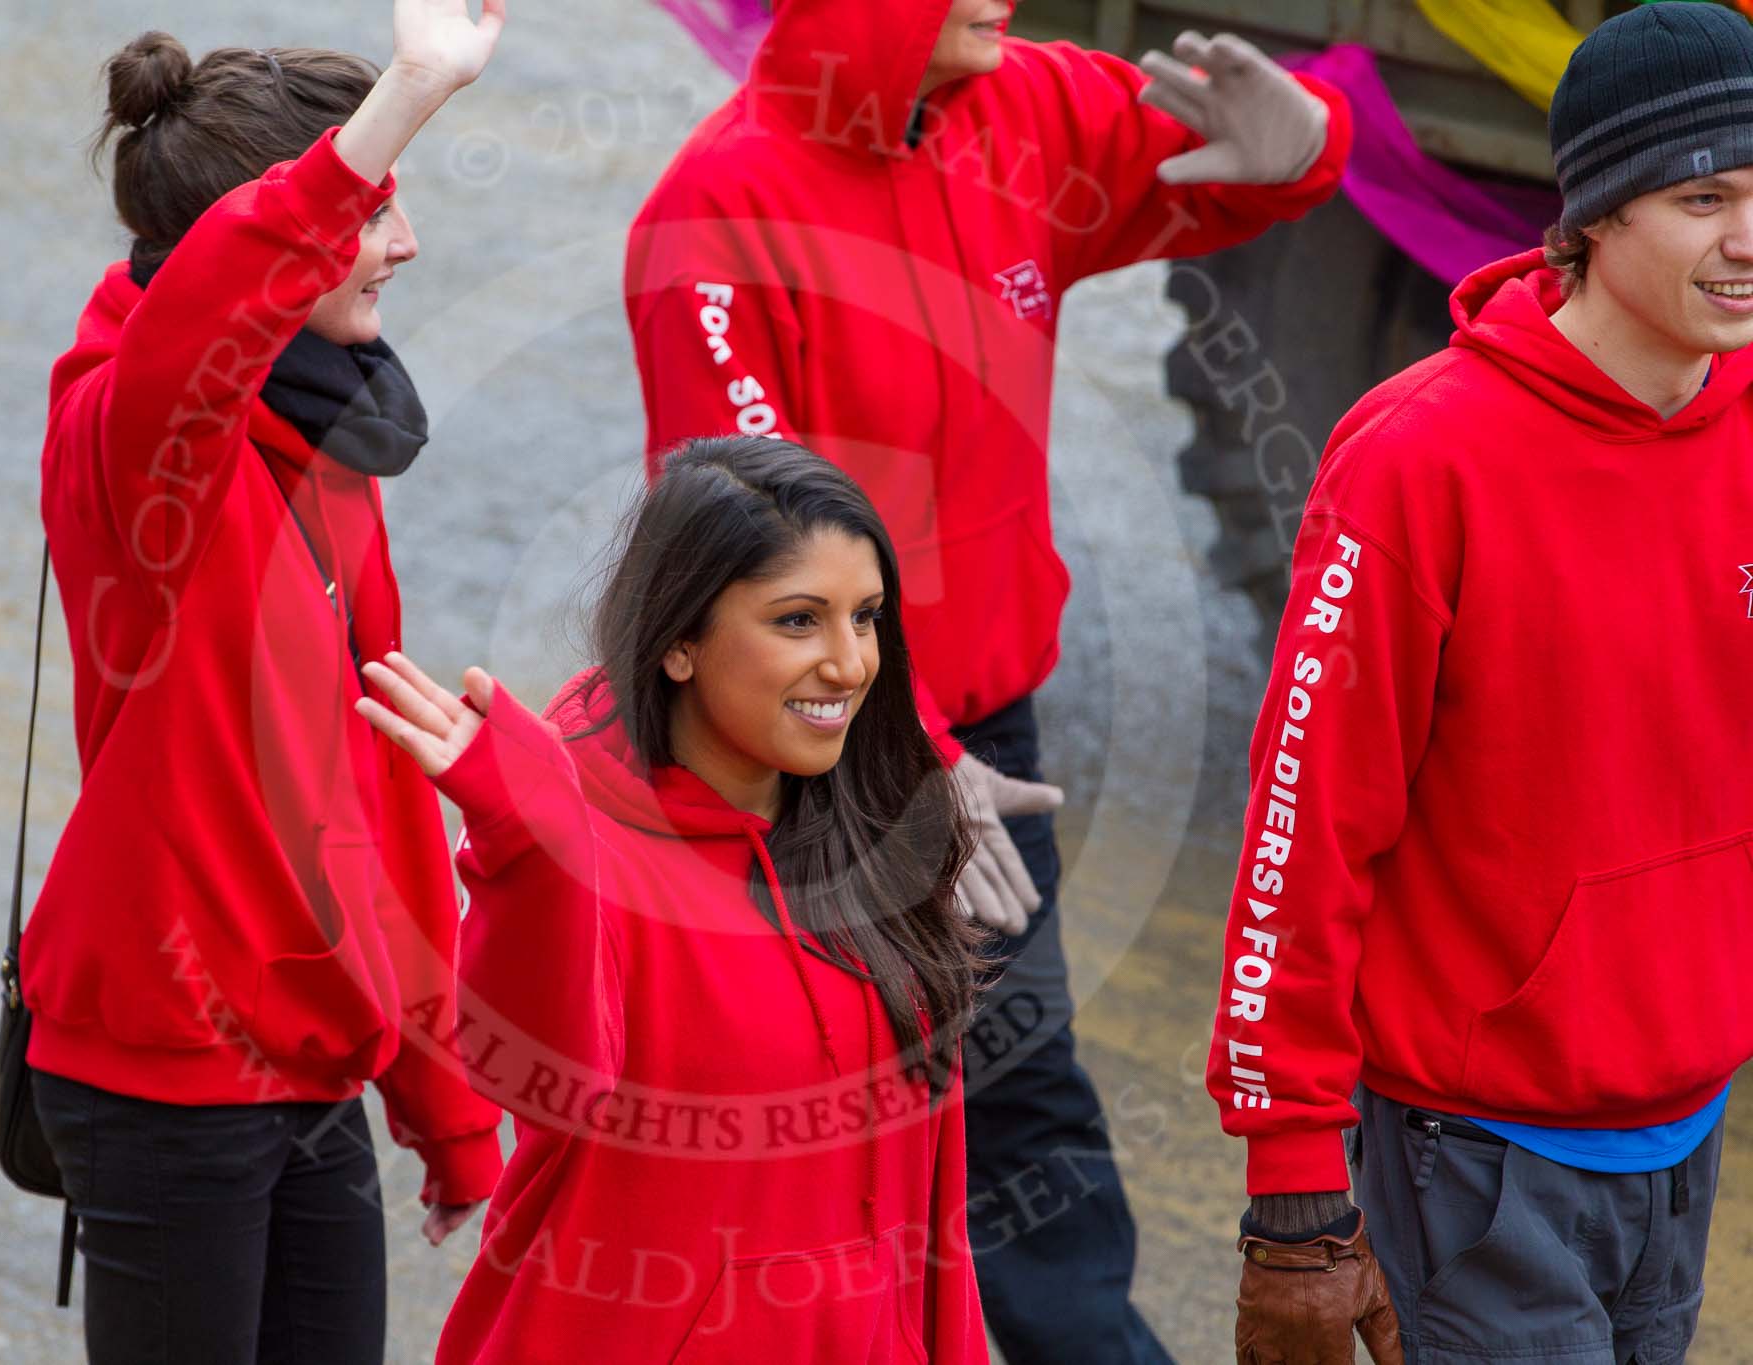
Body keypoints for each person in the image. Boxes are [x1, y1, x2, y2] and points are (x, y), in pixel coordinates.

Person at [625, 2, 1353, 1357]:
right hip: (797, 756)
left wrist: (1309, 145)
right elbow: (750, 574)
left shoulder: (1026, 108)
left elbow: (1228, 176)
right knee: (816, 1127)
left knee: (1021, 1094)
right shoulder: (712, 218)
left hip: (986, 738)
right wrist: (909, 761)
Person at [1208, 6, 1753, 1362]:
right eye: (1705, 197)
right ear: (1595, 215)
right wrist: (1292, 1194)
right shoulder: (1419, 461)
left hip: (1684, 1118)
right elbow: (1303, 834)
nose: (1749, 239)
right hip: (1478, 1153)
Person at [19, 5, 506, 1361]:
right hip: (163, 1071)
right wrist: (405, 96)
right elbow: (208, 315)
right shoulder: (133, 440)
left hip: (306, 1060)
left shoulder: (326, 445)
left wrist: (444, 1102)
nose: (402, 245)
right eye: (372, 213)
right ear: (271, 235)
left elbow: (379, 800)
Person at [355, 436, 992, 1362]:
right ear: (682, 641)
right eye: (798, 621)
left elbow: (936, 1223)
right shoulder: (587, 846)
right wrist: (529, 842)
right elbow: (545, 1077)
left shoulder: (869, 832)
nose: (851, 664)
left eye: (868, 617)